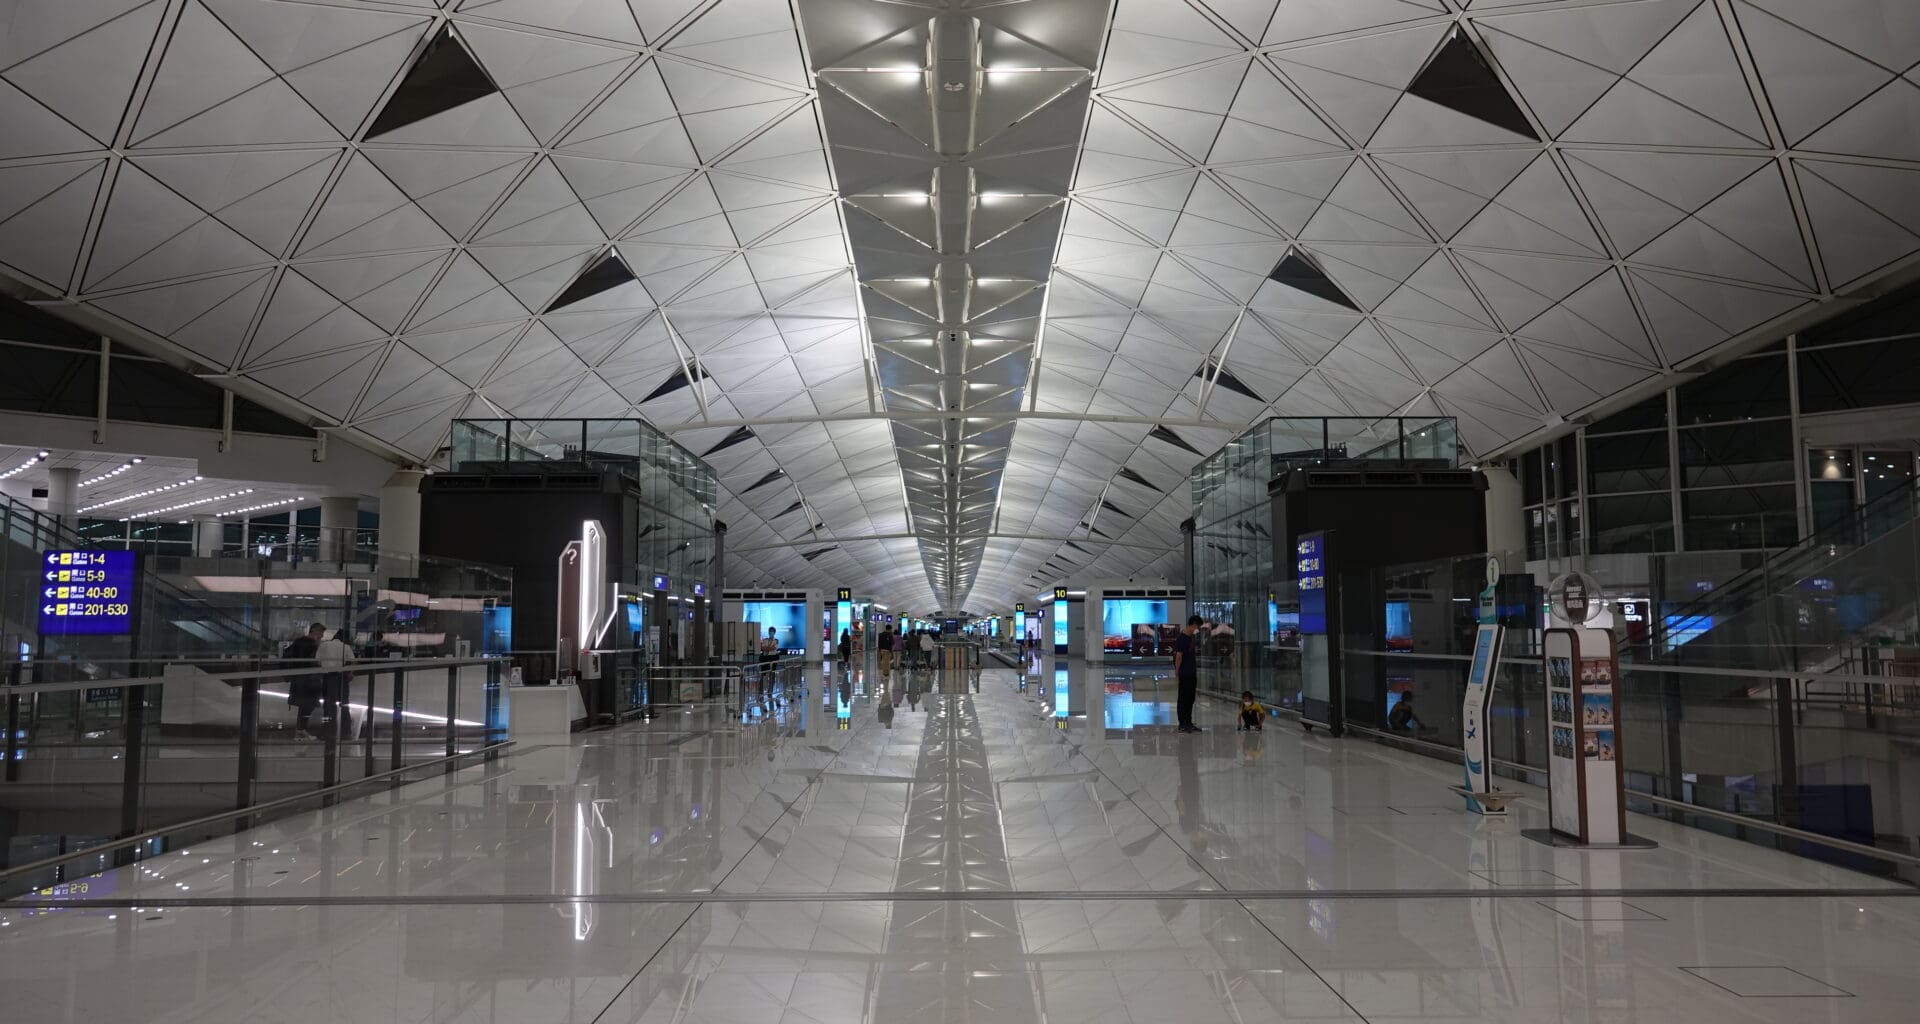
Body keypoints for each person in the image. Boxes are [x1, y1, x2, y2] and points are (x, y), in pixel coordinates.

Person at [284, 622, 325, 738]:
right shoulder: (312, 645)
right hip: (309, 680)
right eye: (321, 633)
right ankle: (301, 729)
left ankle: (300, 729)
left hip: (299, 678)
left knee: (304, 705)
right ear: (315, 631)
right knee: (307, 704)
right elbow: (315, 661)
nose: (322, 636)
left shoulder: (298, 642)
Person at [315, 625, 356, 741]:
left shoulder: (324, 645)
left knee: (329, 706)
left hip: (328, 677)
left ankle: (328, 732)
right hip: (341, 677)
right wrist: (350, 673)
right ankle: (346, 733)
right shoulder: (346, 647)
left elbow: (317, 661)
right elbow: (353, 661)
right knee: (344, 706)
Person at [1173, 615, 1201, 733]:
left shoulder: (1190, 638)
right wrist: (1177, 671)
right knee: (1184, 698)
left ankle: (1188, 722)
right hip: (1185, 674)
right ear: (1193, 624)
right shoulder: (1183, 638)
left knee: (1190, 698)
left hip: (1191, 673)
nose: (1197, 629)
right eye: (1197, 626)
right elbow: (1179, 656)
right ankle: (1182, 723)